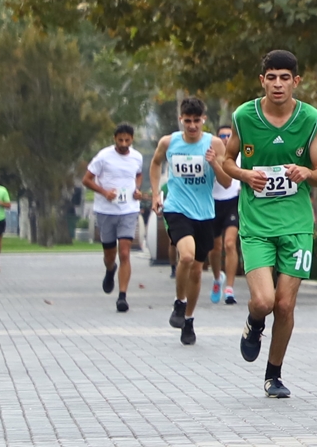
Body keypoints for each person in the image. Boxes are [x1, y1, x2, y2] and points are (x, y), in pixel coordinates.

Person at [223, 50, 317, 399]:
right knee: (264, 301)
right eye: (271, 78)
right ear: (262, 80)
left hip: (297, 224)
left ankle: (274, 374)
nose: (278, 84)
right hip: (256, 225)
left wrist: (306, 172)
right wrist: (244, 174)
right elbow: (226, 160)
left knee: (284, 305)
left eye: (285, 78)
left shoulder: (311, 119)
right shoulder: (243, 116)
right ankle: (254, 323)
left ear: (296, 81)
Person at [149, 98, 232, 345]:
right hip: (177, 209)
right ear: (181, 120)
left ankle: (188, 319)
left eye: (197, 120)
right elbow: (155, 163)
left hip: (204, 213)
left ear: (204, 119)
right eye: (188, 121)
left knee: (197, 270)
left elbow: (227, 182)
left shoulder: (214, 143)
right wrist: (155, 194)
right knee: (186, 256)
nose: (193, 125)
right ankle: (179, 301)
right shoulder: (169, 142)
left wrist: (214, 163)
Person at [83, 125, 145, 310]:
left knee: (125, 253)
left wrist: (137, 189)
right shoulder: (103, 157)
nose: (124, 144)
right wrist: (104, 192)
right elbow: (86, 180)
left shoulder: (137, 157)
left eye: (127, 140)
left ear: (132, 139)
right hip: (106, 211)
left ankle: (122, 296)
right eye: (120, 140)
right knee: (110, 256)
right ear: (114, 139)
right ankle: (110, 269)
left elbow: (138, 175)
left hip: (128, 210)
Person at [211, 124, 242, 306]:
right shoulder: (210, 155)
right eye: (222, 136)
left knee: (230, 243)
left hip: (232, 202)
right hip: (212, 203)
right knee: (215, 248)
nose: (225, 139)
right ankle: (217, 278)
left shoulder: (240, 156)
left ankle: (229, 288)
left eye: (229, 136)